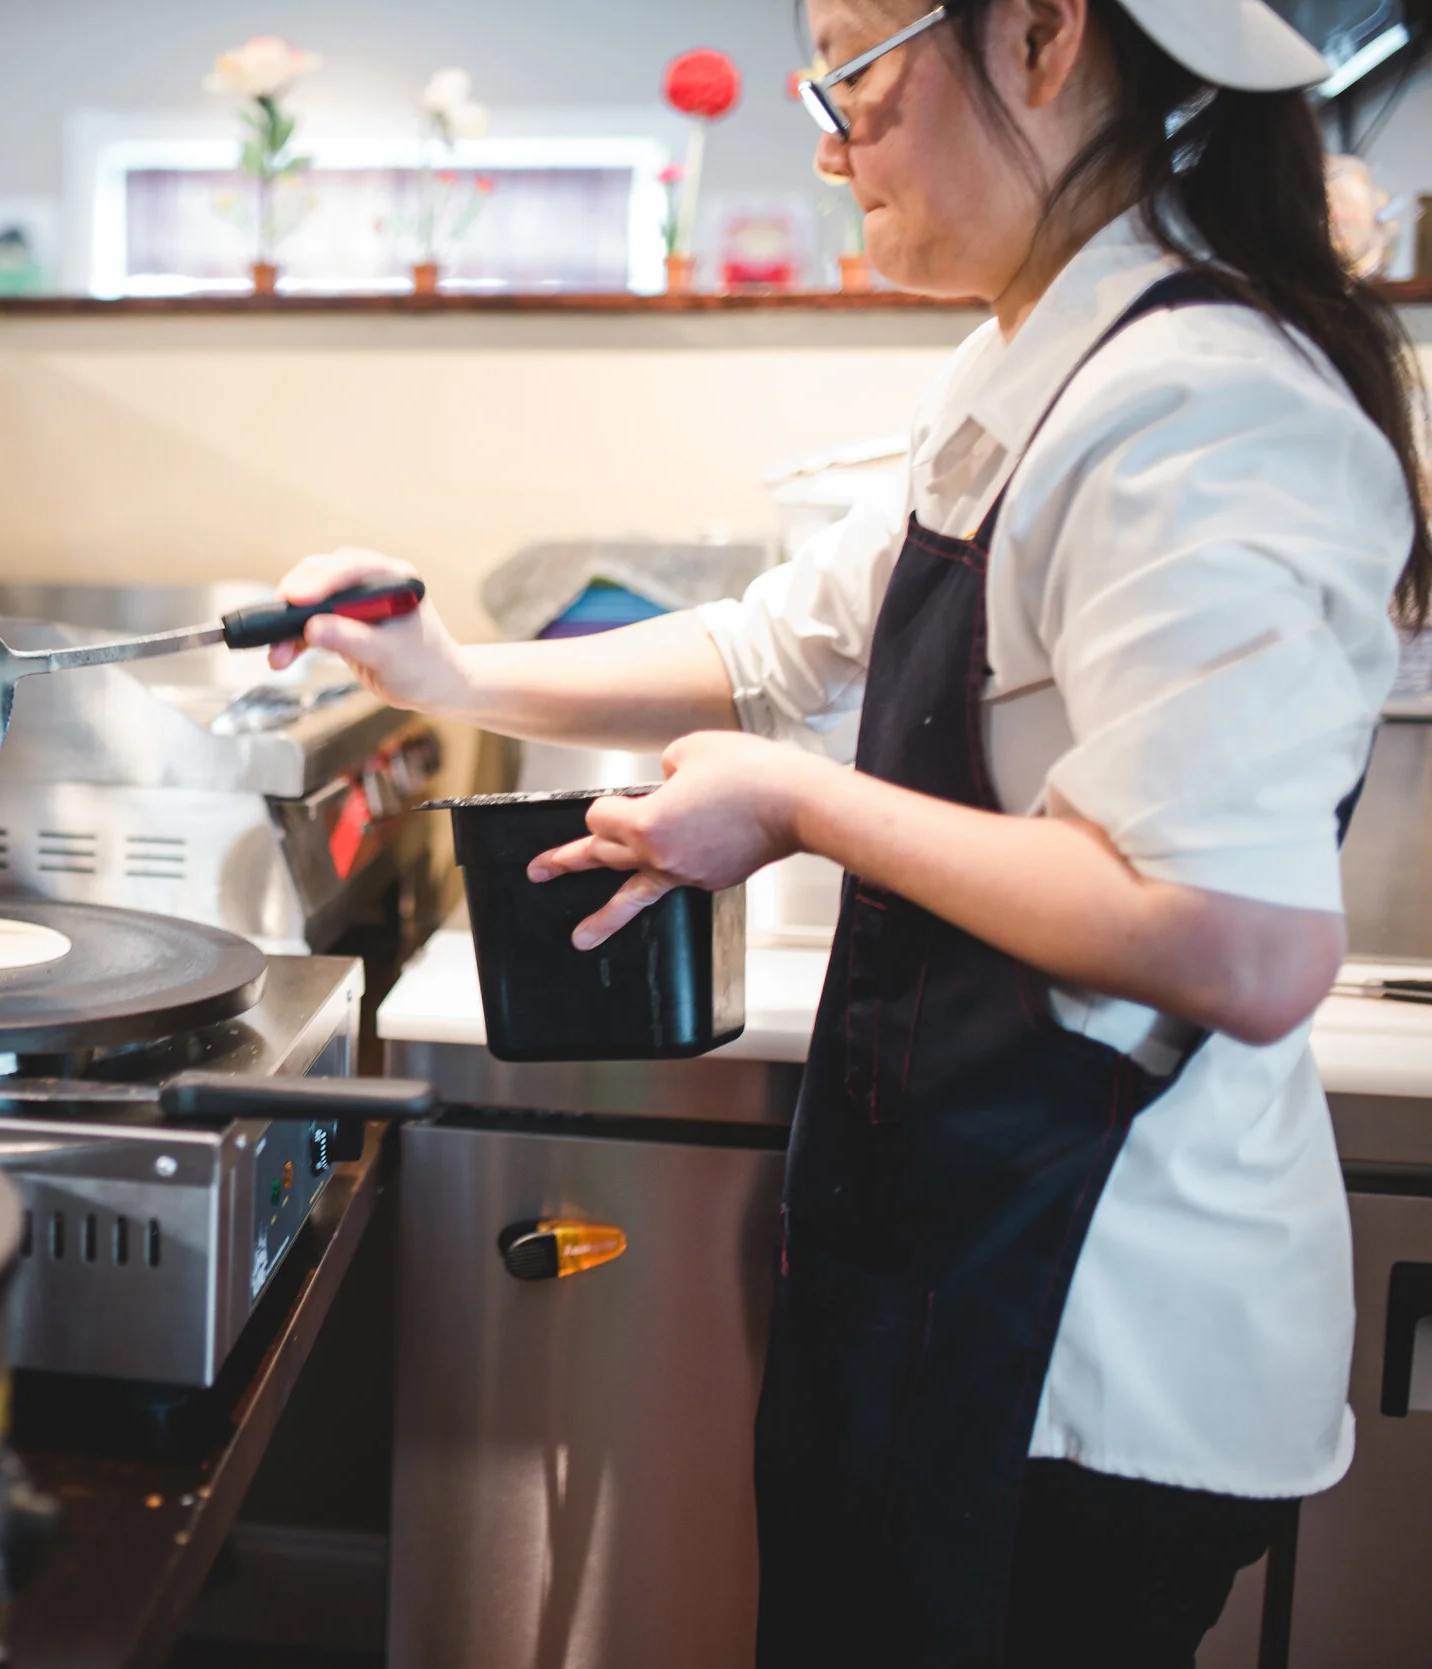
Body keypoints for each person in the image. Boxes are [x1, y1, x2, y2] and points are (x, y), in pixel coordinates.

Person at [270, 1, 1429, 1664]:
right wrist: (444, 664)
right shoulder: (1036, 365)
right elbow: (775, 648)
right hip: (948, 1283)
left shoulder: (1210, 411)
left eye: (855, 74)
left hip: (1087, 1358)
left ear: (1041, 33)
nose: (825, 141)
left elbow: (1237, 941)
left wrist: (801, 803)